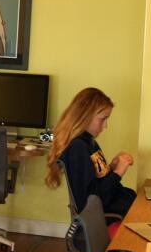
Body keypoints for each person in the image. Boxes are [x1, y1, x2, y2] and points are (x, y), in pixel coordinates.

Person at [45, 87, 136, 220]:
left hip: (112, 204)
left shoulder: (88, 141)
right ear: (85, 117)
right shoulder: (78, 146)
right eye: (103, 119)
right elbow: (92, 200)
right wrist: (118, 173)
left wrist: (111, 167)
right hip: (102, 216)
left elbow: (97, 181)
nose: (106, 126)